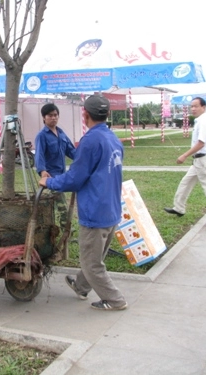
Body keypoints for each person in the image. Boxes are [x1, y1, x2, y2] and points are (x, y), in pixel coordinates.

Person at [39, 95, 127, 311]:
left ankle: (115, 300)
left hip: (95, 211)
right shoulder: (113, 138)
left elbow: (75, 178)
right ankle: (80, 285)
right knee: (94, 255)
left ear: (85, 114)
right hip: (111, 207)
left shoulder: (89, 140)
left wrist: (48, 181)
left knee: (91, 262)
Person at [164, 97, 206, 227]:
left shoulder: (204, 122)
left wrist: (184, 155)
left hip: (203, 160)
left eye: (196, 106)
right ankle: (179, 208)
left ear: (203, 107)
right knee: (185, 183)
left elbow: (201, 143)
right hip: (199, 160)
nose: (193, 109)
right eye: (191, 106)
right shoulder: (200, 121)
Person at [34, 103, 76, 229]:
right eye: (50, 115)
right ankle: (67, 232)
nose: (53, 118)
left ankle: (55, 228)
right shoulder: (42, 135)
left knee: (57, 204)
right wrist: (42, 171)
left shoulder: (61, 133)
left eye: (56, 115)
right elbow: (39, 154)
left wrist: (83, 159)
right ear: (44, 117)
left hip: (62, 175)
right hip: (51, 176)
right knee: (62, 206)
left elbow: (71, 150)